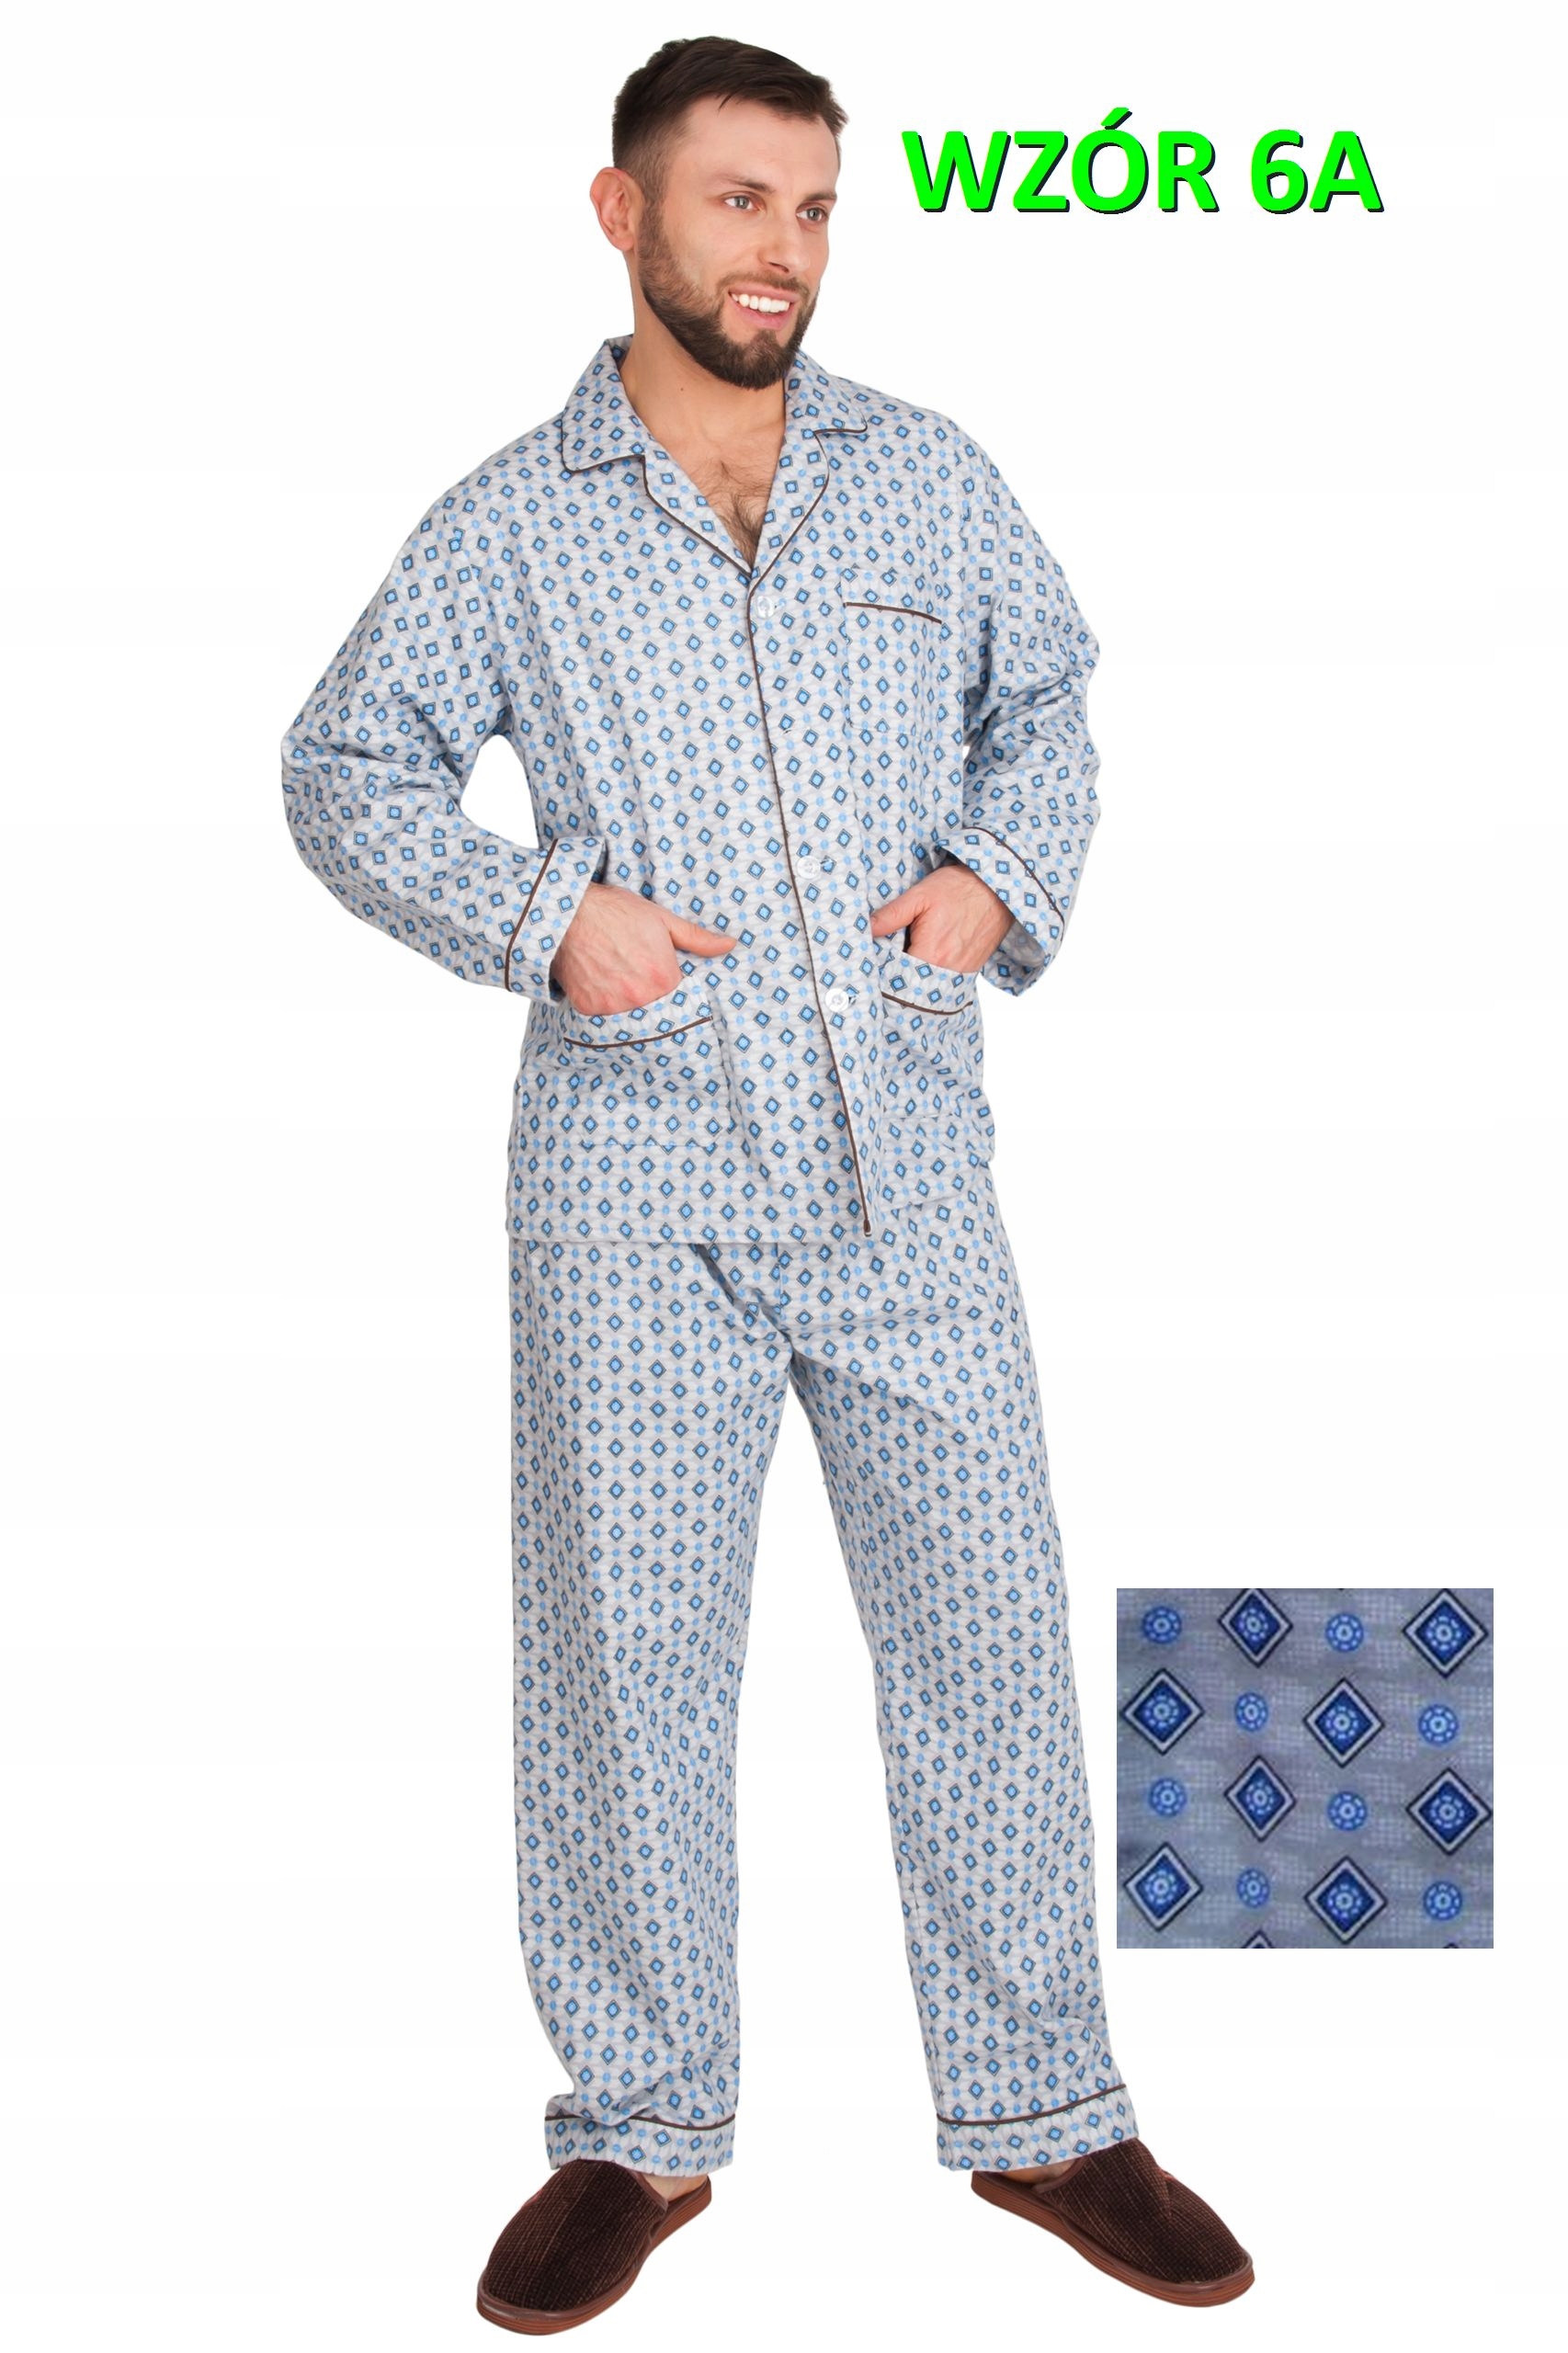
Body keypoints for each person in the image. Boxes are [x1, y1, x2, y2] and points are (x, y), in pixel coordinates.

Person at [279, 32, 1255, 2329]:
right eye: (738, 202)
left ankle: (1046, 2112)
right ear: (621, 214)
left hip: (909, 1161)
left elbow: (1049, 700)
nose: (783, 253)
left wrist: (998, 879)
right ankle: (634, 2130)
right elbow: (341, 767)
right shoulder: (508, 524)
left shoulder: (927, 479)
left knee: (990, 1629)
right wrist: (545, 920)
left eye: (813, 208)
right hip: (631, 1185)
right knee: (623, 1663)